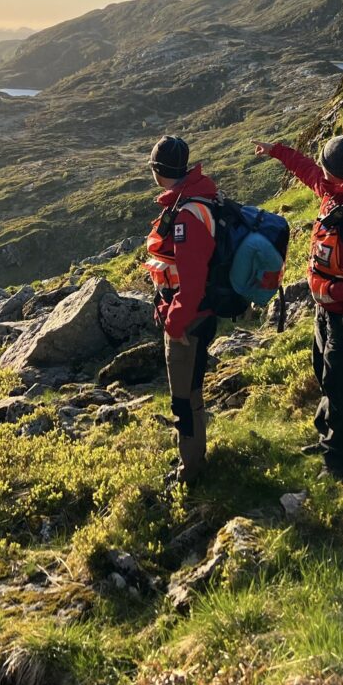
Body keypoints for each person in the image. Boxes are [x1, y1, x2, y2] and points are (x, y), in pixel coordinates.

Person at [253, 135, 343, 480]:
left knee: (339, 381)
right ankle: (328, 433)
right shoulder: (337, 192)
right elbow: (306, 170)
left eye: (326, 169)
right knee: (323, 369)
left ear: (340, 174)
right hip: (329, 307)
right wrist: (278, 152)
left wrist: (337, 292)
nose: (321, 173)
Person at [145, 135, 218, 488]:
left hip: (189, 319)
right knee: (192, 391)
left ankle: (192, 472)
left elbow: (191, 285)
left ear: (158, 171)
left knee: (183, 399)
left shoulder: (186, 216)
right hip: (196, 314)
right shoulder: (194, 199)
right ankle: (195, 458)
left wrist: (174, 324)